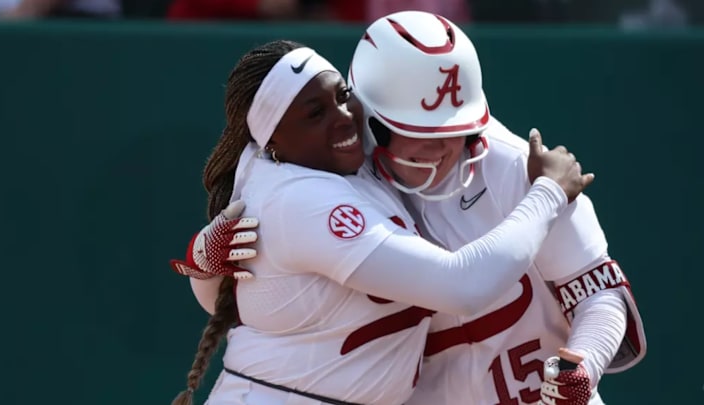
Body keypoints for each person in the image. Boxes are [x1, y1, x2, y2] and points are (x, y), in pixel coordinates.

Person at [168, 39, 593, 405]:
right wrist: (550, 193)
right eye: (314, 114)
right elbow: (463, 287)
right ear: (273, 139)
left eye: (341, 95)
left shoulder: (345, 163)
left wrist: (202, 264)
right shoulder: (304, 199)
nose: (342, 117)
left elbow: (245, 304)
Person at [346, 11, 647, 405]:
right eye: (420, 130)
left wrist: (581, 369)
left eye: (456, 128)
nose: (444, 148)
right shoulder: (335, 190)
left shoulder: (522, 166)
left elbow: (599, 294)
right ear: (369, 120)